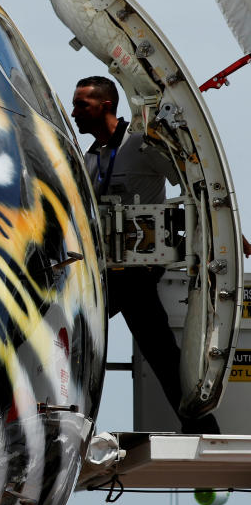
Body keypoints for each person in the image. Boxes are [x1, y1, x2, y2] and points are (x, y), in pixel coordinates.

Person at [71, 75, 220, 434]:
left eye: (81, 105)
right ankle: (201, 425)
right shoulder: (89, 158)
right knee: (139, 347)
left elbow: (195, 186)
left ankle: (201, 426)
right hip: (107, 272)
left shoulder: (142, 146)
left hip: (138, 271)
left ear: (105, 106)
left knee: (154, 350)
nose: (74, 113)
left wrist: (226, 230)